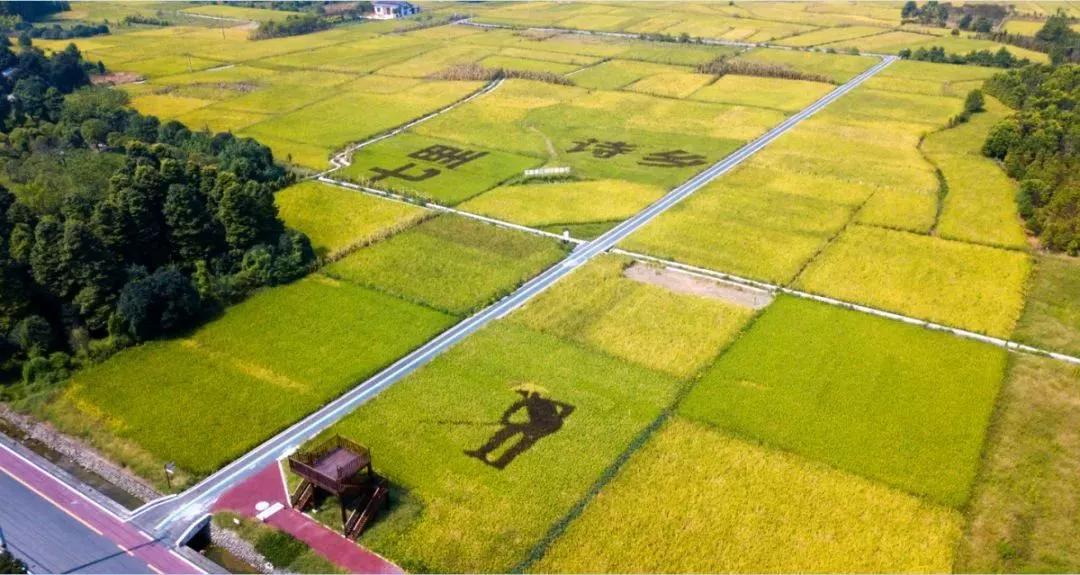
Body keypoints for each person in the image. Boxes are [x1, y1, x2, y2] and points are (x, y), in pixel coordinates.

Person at [464, 389, 574, 470]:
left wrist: (558, 414)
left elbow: (569, 407)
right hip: (541, 424)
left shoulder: (536, 401)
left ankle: (496, 460)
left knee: (521, 439)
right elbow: (512, 409)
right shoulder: (533, 401)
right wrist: (505, 419)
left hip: (546, 426)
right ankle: (489, 456)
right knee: (512, 433)